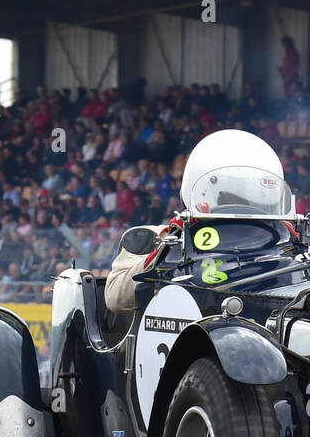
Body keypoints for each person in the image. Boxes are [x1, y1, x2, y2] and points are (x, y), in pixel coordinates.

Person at [104, 129, 292, 313]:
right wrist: (164, 252)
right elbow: (115, 298)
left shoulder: (289, 241)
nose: (239, 204)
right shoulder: (158, 237)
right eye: (230, 195)